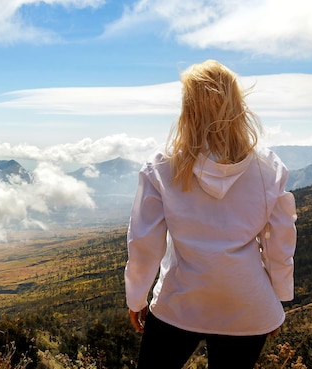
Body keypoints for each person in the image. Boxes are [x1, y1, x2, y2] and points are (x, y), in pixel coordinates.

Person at [124, 59, 297, 369]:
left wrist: (136, 298)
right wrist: (278, 298)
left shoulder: (163, 167)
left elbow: (144, 243)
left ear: (188, 108)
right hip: (248, 305)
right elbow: (278, 243)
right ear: (237, 104)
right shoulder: (268, 168)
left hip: (178, 303)